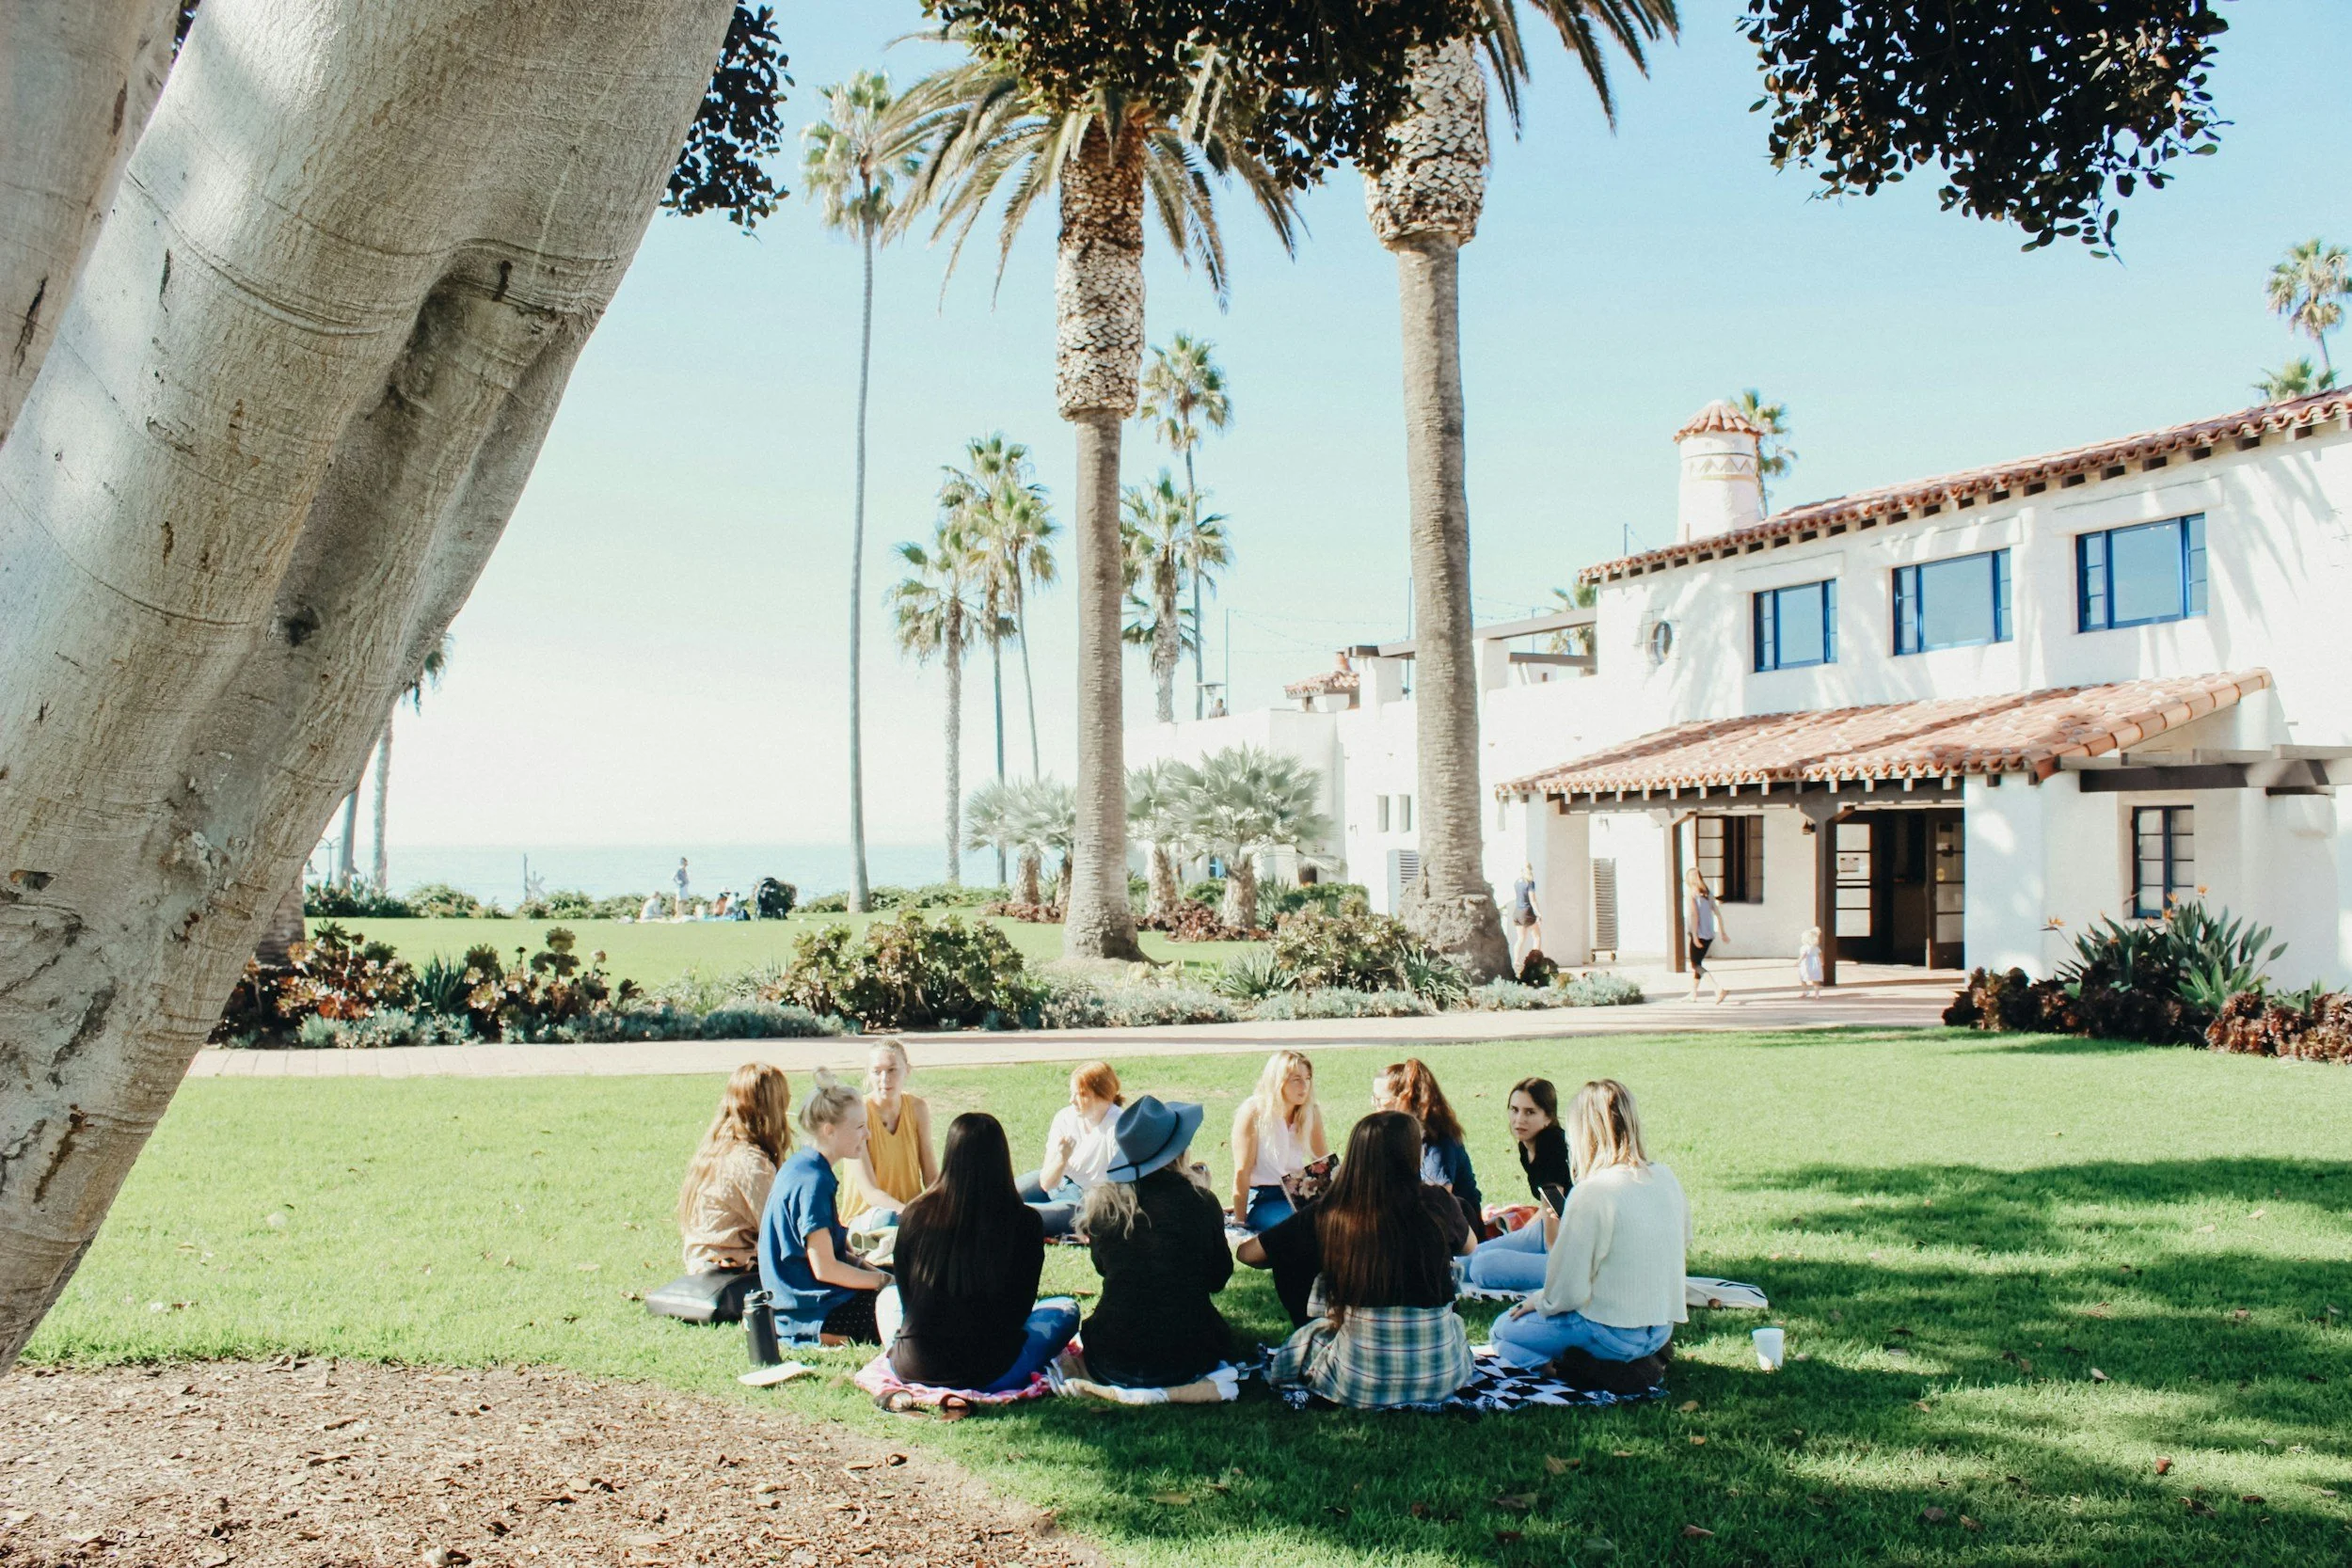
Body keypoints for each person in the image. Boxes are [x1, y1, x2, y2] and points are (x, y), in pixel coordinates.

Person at [1266, 1111, 1476, 1407]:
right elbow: (1470, 1246)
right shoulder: (1438, 1201)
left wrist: (1315, 1239)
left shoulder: (1331, 1211)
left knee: (1289, 1257)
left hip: (1357, 1380)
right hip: (1443, 1372)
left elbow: (1250, 1254)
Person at [1489, 1080, 1690, 1371]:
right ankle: (1625, 1362)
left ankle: (1582, 1370)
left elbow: (1567, 1292)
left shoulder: (1593, 1192)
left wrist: (1539, 1301)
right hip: (1660, 1328)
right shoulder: (1666, 1177)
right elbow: (1682, 1241)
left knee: (1502, 1331)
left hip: (1611, 1332)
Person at [874, 1113, 1078, 1393]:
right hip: (993, 1371)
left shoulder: (916, 1213)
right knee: (1066, 1309)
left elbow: (906, 1295)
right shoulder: (1024, 1221)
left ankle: (902, 1353)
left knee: (886, 1299)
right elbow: (1021, 1307)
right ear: (1001, 1158)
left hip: (912, 1365)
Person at [1074, 1096, 1232, 1387]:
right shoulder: (1201, 1202)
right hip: (1188, 1355)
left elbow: (1102, 1267)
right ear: (1178, 1152)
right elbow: (1217, 1278)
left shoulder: (1105, 1207)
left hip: (1111, 1354)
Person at [756, 1071, 891, 1345]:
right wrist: (881, 1282)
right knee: (908, 1304)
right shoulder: (813, 1181)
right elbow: (825, 1269)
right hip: (811, 1310)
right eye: (859, 1127)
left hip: (799, 1302)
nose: (867, 1135)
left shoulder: (803, 1165)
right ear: (829, 1130)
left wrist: (879, 1274)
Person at [676, 1063, 792, 1275]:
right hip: (727, 1269)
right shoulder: (750, 1163)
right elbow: (783, 1233)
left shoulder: (718, 1148)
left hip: (704, 1262)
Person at [1465, 1078, 1573, 1292]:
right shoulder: (1528, 1145)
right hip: (1545, 1230)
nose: (1519, 1120)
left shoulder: (1552, 1145)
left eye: (1530, 1112)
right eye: (1514, 1110)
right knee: (1466, 1259)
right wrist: (1520, 1234)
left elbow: (1555, 1209)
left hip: (1570, 1240)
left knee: (1481, 1267)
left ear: (1548, 1117)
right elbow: (1546, 1207)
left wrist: (1554, 1261)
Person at [1374, 1058, 1484, 1234]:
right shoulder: (1396, 1137)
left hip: (1457, 1229)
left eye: (1380, 1100)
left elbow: (1438, 1202)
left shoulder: (1438, 1143)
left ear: (1404, 1099)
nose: (1375, 1106)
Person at [837, 1039, 937, 1227]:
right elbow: (870, 1192)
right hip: (868, 1219)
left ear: (907, 1070)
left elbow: (931, 1176)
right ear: (868, 1074)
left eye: (892, 1070)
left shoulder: (917, 1108)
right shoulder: (856, 1114)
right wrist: (911, 1215)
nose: (884, 1079)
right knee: (886, 1219)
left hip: (908, 1217)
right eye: (877, 1072)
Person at [1229, 1050, 1328, 1232]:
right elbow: (1242, 1172)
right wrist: (1240, 1222)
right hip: (1263, 1196)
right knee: (1298, 1227)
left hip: (1300, 1192)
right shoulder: (1254, 1112)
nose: (1304, 1086)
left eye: (1308, 1078)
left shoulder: (1310, 1112)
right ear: (1278, 1081)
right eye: (1296, 1079)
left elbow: (1323, 1162)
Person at [1019, 1060, 1122, 1235]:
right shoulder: (1065, 1118)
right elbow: (1046, 1183)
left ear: (1101, 1095)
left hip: (1085, 1201)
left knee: (1020, 1217)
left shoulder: (1118, 1126)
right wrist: (1061, 1158)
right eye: (1071, 1093)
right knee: (1000, 1193)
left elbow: (1121, 1187)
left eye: (1080, 1094)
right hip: (1058, 1183)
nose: (1071, 1100)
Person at [1685, 868, 1729, 1005]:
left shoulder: (1692, 894)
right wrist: (1722, 932)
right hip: (1709, 934)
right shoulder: (1707, 893)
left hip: (1699, 934)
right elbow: (1717, 913)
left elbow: (1694, 916)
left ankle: (1717, 988)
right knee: (1698, 963)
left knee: (1695, 964)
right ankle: (1693, 994)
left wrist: (1695, 937)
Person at [1509, 863, 1543, 970]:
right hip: (1527, 912)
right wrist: (1538, 913)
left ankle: (1516, 960)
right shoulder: (1530, 883)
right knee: (1537, 936)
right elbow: (1532, 900)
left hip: (1517, 912)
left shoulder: (1517, 882)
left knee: (1520, 938)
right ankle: (1534, 961)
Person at [1796, 925, 1825, 999]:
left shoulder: (1804, 947)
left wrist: (1798, 961)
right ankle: (1817, 994)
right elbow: (1820, 954)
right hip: (1815, 964)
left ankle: (1805, 991)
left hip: (1806, 964)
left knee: (1803, 978)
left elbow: (1803, 955)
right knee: (1815, 980)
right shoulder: (1816, 947)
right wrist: (1822, 961)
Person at [673, 856, 691, 920]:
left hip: (684, 887)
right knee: (679, 900)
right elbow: (673, 878)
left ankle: (682, 913)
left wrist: (687, 882)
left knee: (684, 900)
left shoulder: (684, 870)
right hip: (680, 887)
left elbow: (686, 877)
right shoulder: (679, 869)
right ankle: (678, 914)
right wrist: (678, 882)